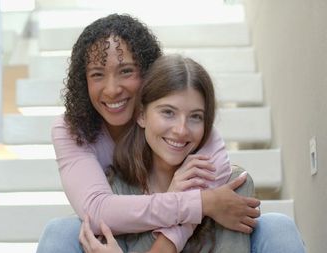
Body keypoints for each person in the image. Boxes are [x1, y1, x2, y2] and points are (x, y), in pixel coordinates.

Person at [36, 13, 305, 253]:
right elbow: (97, 212)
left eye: (126, 71)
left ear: (150, 75)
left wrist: (180, 219)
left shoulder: (190, 133)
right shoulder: (79, 138)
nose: (112, 89)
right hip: (127, 223)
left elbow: (218, 179)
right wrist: (194, 202)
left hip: (192, 229)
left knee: (276, 226)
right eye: (97, 75)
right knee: (61, 231)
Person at [79, 54, 255, 253]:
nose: (181, 130)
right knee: (61, 230)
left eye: (195, 117)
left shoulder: (232, 187)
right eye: (168, 112)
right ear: (141, 115)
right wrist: (180, 204)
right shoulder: (117, 191)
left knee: (277, 227)